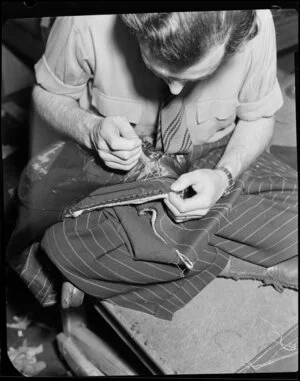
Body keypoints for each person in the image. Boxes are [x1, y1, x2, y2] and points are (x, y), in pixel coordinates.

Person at [9, 10, 298, 320]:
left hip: (214, 155)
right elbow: (47, 94)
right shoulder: (84, 19)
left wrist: (222, 176)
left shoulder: (256, 21)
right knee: (58, 246)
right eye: (159, 68)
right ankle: (229, 264)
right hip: (117, 167)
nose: (175, 90)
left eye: (198, 74)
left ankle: (151, 254)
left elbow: (259, 118)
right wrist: (90, 128)